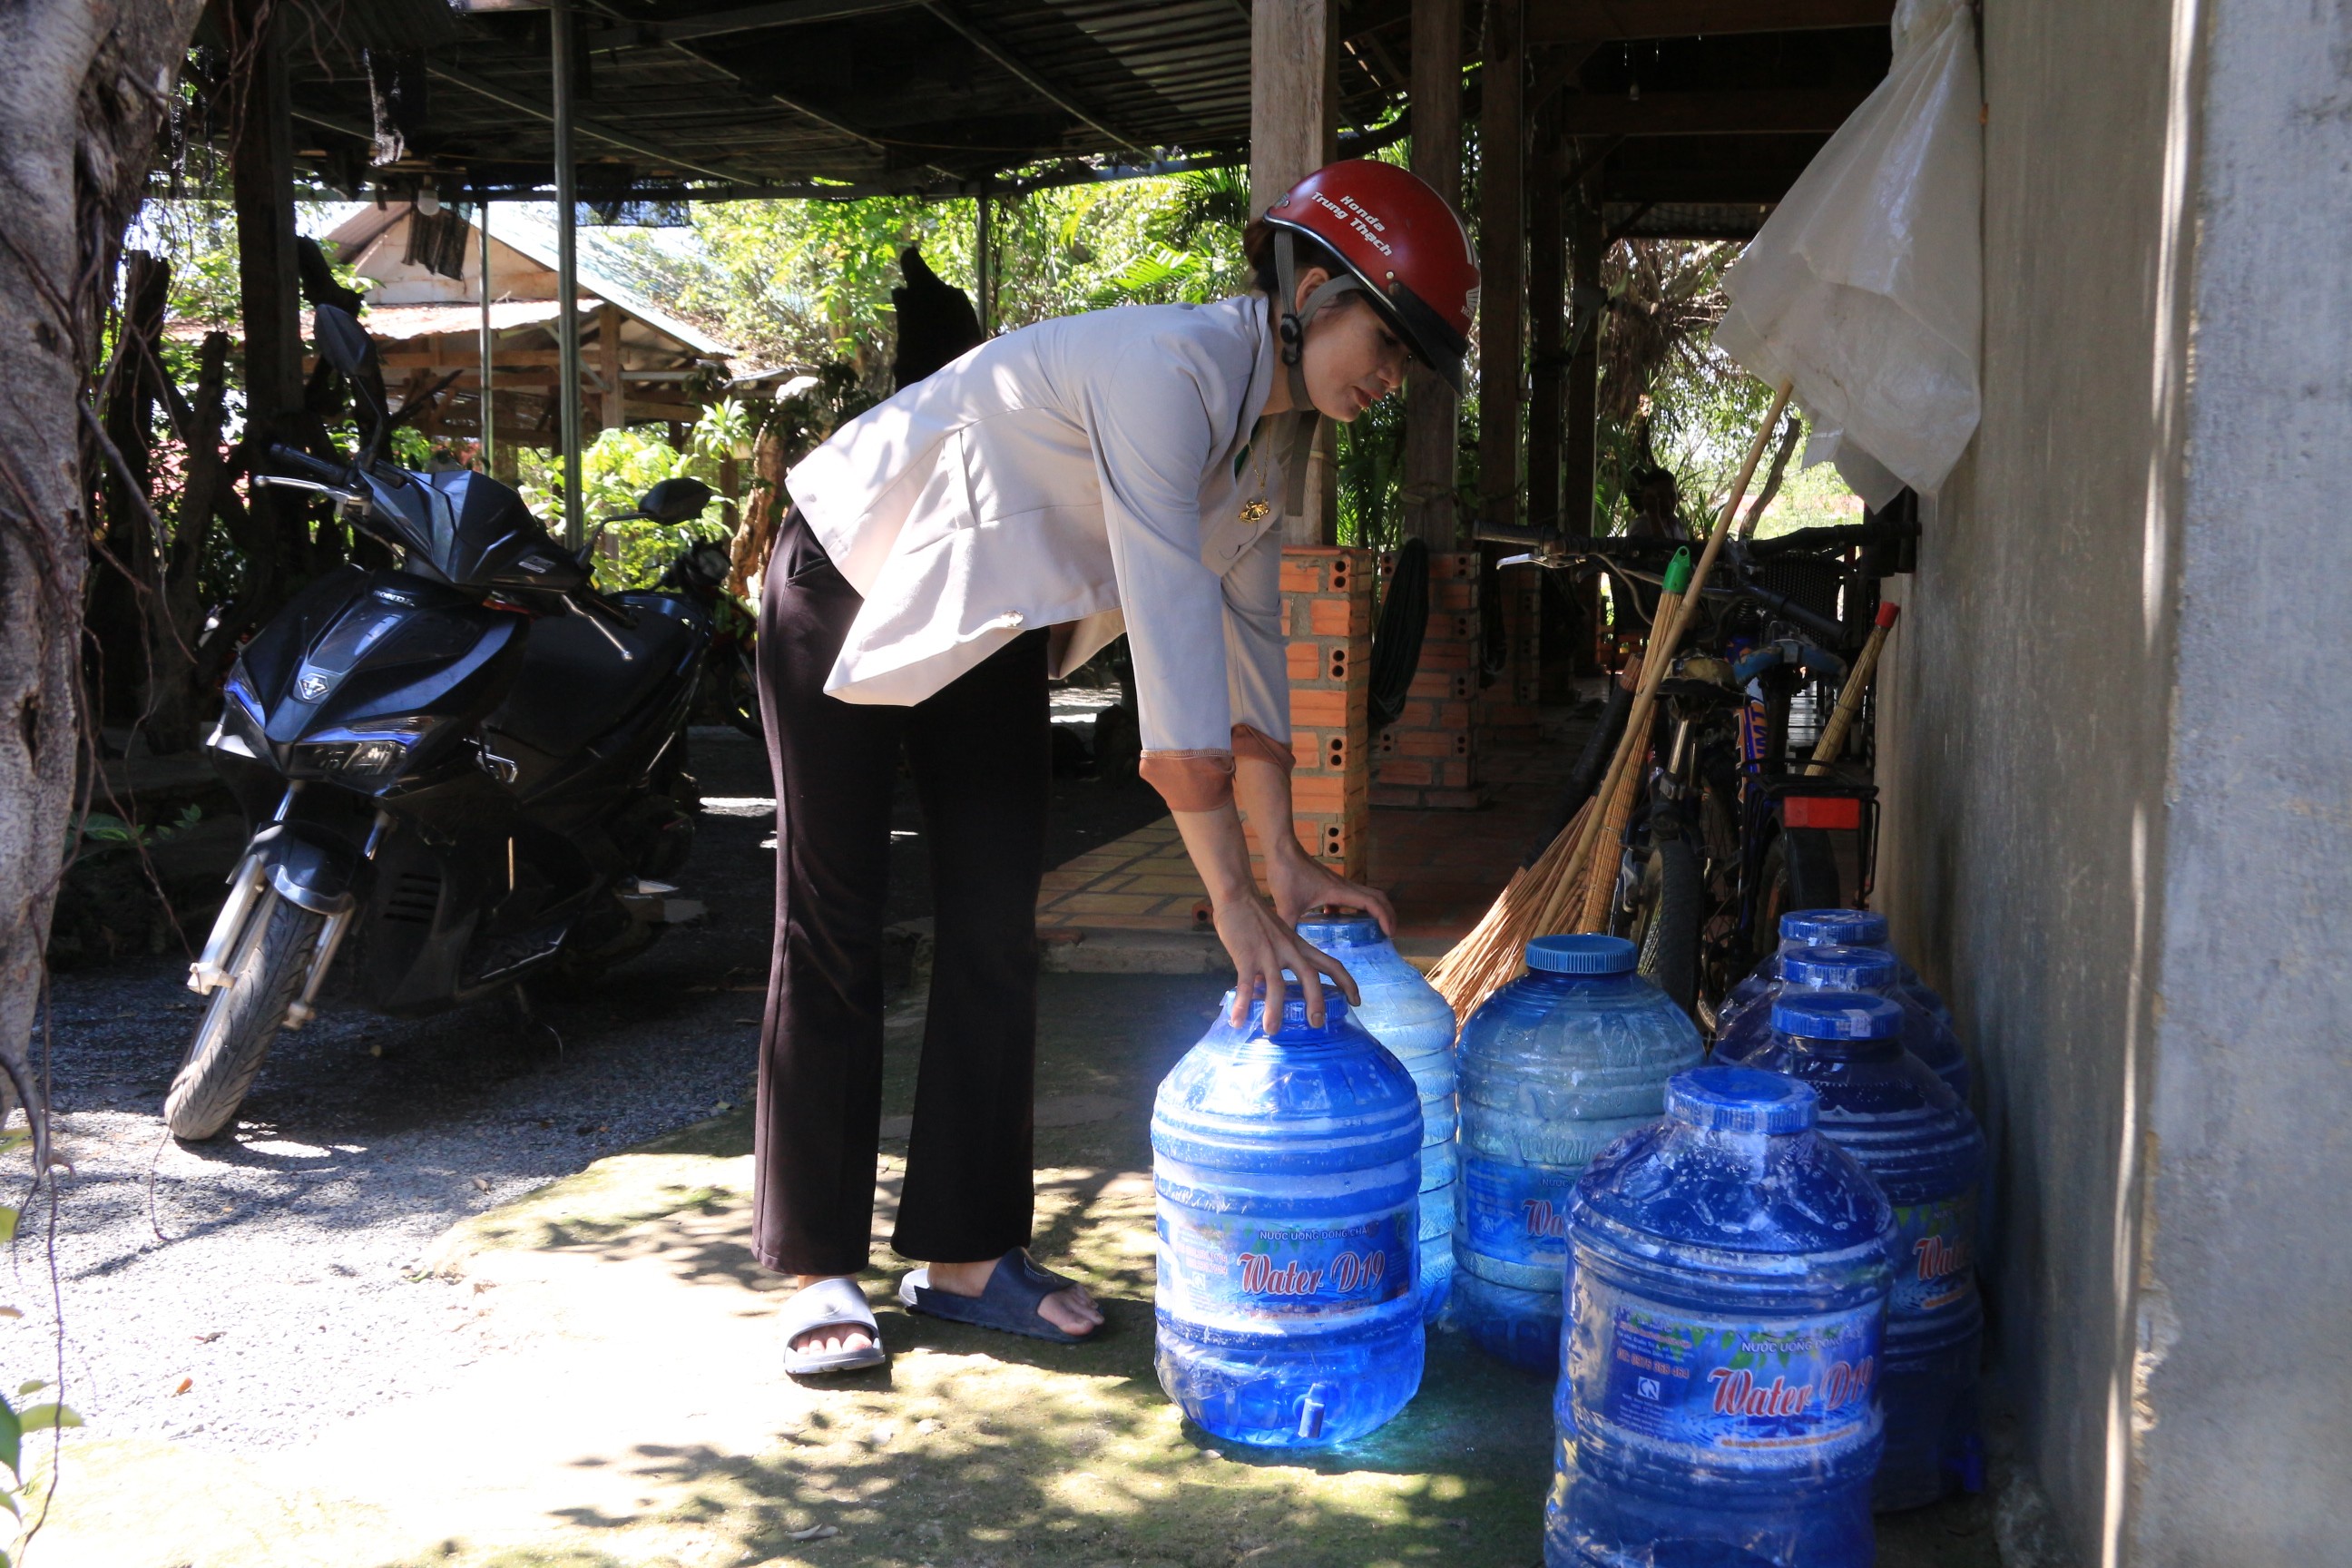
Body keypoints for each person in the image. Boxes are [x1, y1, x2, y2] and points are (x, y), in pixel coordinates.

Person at [756, 161, 1480, 1376]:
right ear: (1310, 288)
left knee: (992, 924)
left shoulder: (1262, 449)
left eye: (1407, 361)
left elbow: (1249, 663)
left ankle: (967, 1254)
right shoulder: (1168, 376)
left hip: (989, 621)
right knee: (834, 920)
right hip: (845, 573)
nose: (1386, 378)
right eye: (1384, 340)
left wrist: (1287, 858)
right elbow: (1175, 659)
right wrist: (1236, 907)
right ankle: (816, 1264)